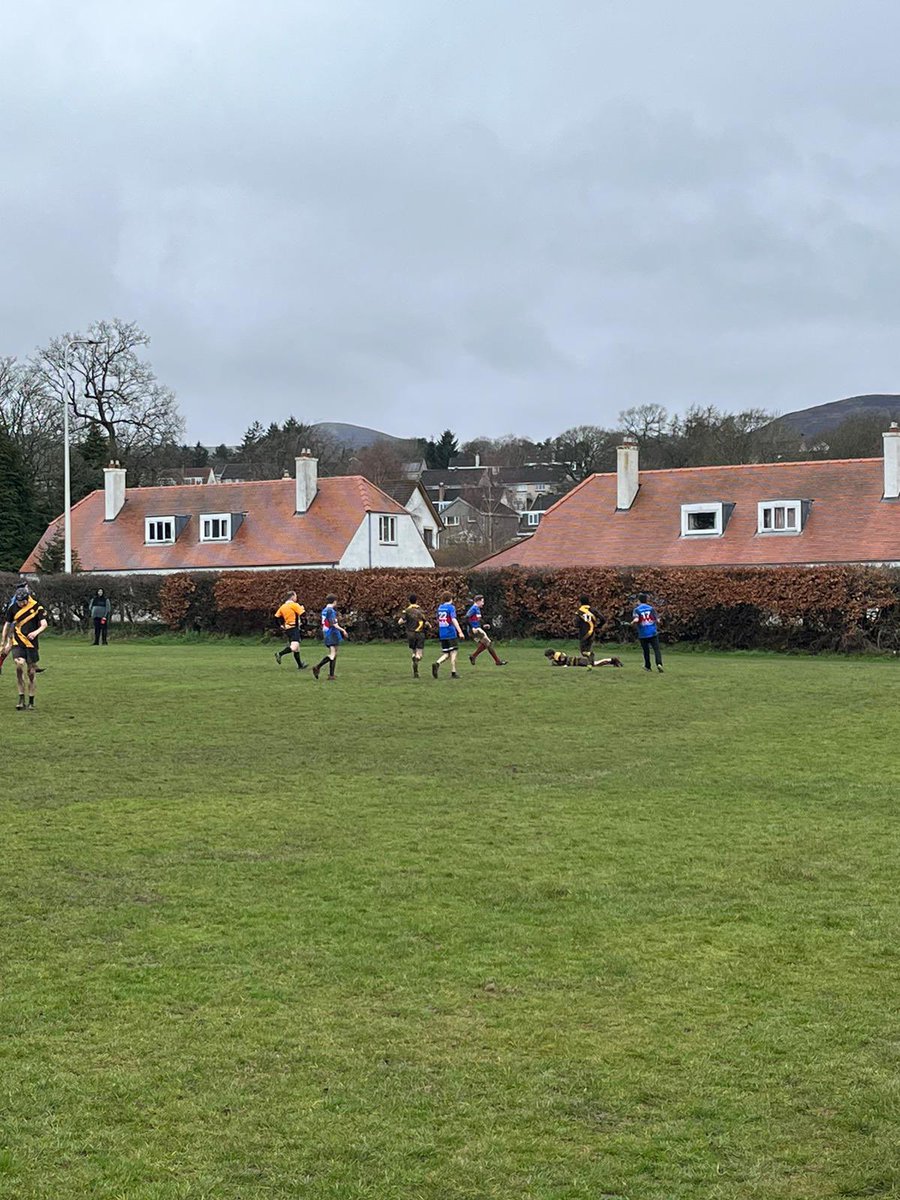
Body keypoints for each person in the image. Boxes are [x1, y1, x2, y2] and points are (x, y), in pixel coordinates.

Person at [1, 581, 49, 710]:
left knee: (31, 673)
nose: (20, 604)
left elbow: (44, 624)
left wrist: (36, 632)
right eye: (18, 601)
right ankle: (21, 698)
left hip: (31, 644)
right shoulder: (13, 608)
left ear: (27, 599)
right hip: (18, 642)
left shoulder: (37, 607)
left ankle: (31, 701)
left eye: (22, 601)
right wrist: (3, 641)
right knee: (19, 665)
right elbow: (7, 625)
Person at [465, 594, 508, 667]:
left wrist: (483, 625)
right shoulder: (474, 608)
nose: (483, 603)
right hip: (475, 630)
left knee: (486, 644)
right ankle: (497, 661)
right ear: (478, 601)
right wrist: (472, 628)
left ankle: (473, 656)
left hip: (477, 629)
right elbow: (466, 618)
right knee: (488, 643)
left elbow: (475, 620)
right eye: (482, 601)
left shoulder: (477, 609)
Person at [313, 594, 348, 681]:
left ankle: (331, 675)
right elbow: (334, 624)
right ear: (335, 601)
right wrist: (343, 630)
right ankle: (318, 666)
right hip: (332, 633)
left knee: (334, 653)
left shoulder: (324, 610)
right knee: (333, 654)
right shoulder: (330, 611)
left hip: (326, 632)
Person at [431, 591, 464, 679]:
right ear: (451, 599)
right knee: (454, 652)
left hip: (442, 633)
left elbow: (439, 619)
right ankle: (453, 672)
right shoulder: (451, 607)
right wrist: (460, 631)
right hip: (450, 632)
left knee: (446, 653)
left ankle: (437, 663)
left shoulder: (440, 607)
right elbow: (453, 619)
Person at [273, 591, 308, 669]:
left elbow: (276, 618)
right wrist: (304, 625)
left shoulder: (283, 606)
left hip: (287, 629)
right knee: (294, 646)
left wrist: (280, 626)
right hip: (294, 628)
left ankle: (300, 665)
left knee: (297, 648)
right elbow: (303, 615)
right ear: (292, 597)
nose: (296, 598)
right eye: (296, 596)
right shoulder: (294, 605)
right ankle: (280, 654)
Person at [398, 593, 429, 678]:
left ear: (409, 601)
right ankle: (417, 659)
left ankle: (415, 671)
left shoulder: (406, 610)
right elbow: (425, 622)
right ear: (416, 601)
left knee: (413, 651)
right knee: (419, 653)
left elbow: (400, 622)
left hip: (410, 633)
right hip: (420, 633)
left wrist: (406, 621)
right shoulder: (421, 610)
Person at [632, 592, 664, 672]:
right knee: (656, 649)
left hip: (643, 634)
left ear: (638, 601)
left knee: (646, 651)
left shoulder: (637, 609)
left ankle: (648, 666)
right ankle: (659, 663)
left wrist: (632, 622)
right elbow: (657, 619)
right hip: (653, 632)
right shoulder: (651, 608)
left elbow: (637, 619)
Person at [576, 597, 601, 663]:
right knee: (588, 647)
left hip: (583, 633)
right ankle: (590, 662)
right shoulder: (593, 610)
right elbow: (603, 619)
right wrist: (598, 626)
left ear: (580, 602)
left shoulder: (579, 611)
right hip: (592, 632)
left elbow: (576, 623)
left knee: (583, 650)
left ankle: (589, 659)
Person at [545, 649, 622, 668]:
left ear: (551, 654)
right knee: (596, 664)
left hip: (579, 661)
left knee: (594, 664)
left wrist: (566, 665)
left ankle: (613, 660)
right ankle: (612, 661)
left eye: (548, 656)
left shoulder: (558, 655)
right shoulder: (555, 659)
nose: (548, 658)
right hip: (578, 662)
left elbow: (565, 659)